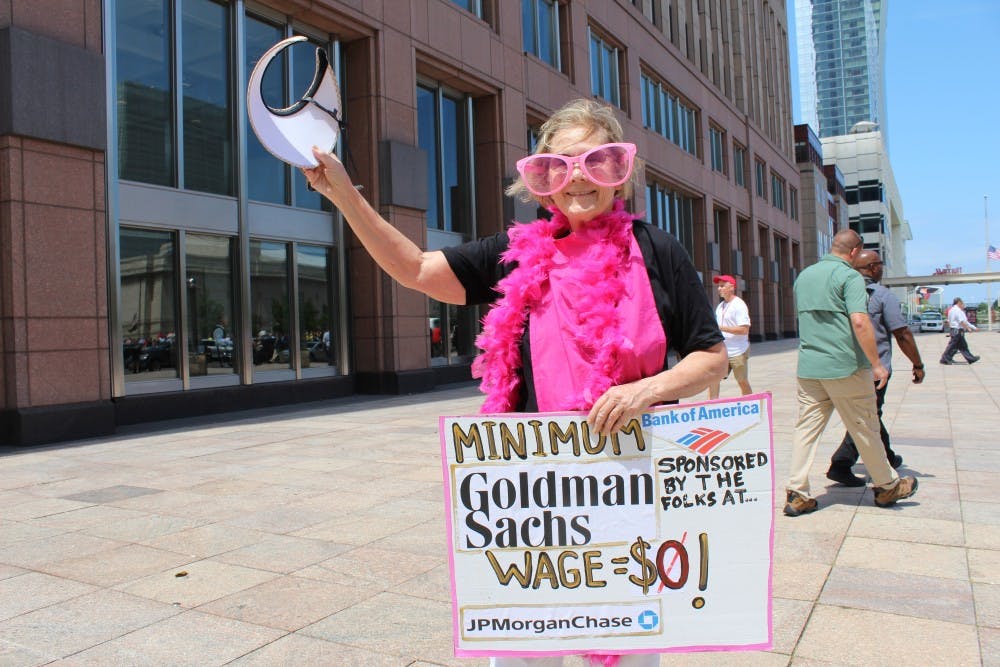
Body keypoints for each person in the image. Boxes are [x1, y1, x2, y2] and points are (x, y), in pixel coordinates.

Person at [305, 98, 727, 667]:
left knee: (626, 648)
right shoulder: (515, 254)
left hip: (630, 481)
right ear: (544, 180)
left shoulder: (656, 250)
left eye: (596, 162)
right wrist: (343, 195)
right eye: (562, 165)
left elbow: (711, 357)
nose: (579, 178)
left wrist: (642, 391)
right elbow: (415, 269)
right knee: (526, 654)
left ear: (619, 172)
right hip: (534, 492)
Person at [784, 230, 918, 517]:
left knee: (806, 430)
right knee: (865, 426)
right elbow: (859, 322)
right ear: (855, 252)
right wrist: (876, 364)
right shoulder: (851, 277)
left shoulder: (804, 276)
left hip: (809, 367)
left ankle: (797, 492)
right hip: (845, 366)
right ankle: (886, 486)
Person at [825, 250, 924, 486]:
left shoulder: (839, 294)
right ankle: (841, 464)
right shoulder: (881, 295)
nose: (882, 268)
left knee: (872, 413)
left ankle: (888, 455)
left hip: (843, 366)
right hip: (874, 370)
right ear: (872, 268)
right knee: (866, 417)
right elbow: (902, 333)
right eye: (880, 264)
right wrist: (917, 364)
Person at [707, 274, 752, 399]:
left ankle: (749, 406)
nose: (719, 289)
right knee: (713, 380)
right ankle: (712, 408)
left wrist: (721, 328)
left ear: (731, 287)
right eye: (718, 286)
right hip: (723, 351)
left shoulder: (739, 305)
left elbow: (744, 329)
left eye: (722, 286)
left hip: (738, 351)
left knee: (742, 381)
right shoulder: (720, 306)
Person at [940, 297, 980, 365]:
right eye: (962, 303)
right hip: (958, 330)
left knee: (961, 346)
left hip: (954, 329)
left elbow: (949, 321)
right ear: (958, 302)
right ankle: (945, 359)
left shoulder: (951, 310)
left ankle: (970, 358)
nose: (963, 305)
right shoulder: (957, 311)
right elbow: (961, 321)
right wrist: (968, 328)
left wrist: (973, 327)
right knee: (953, 346)